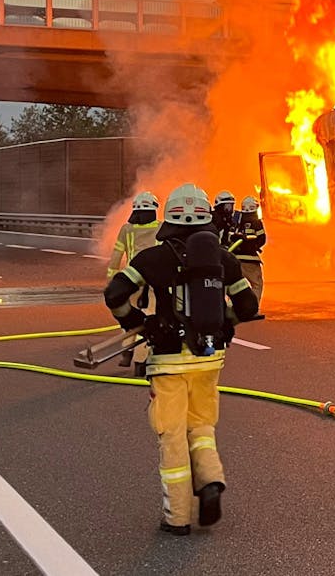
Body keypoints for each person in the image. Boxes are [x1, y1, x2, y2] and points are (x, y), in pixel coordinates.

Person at [103, 183, 259, 536]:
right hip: (209, 358)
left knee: (171, 435)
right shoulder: (223, 258)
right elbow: (248, 307)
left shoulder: (152, 259)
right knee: (201, 428)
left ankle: (177, 518)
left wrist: (139, 323)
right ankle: (211, 482)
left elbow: (115, 294)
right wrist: (223, 323)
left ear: (169, 218)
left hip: (169, 362)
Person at [230, 196, 267, 302]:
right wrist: (253, 246)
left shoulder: (236, 221)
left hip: (235, 260)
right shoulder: (256, 222)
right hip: (251, 261)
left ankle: (234, 308)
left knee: (236, 286)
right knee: (256, 284)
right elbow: (262, 239)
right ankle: (253, 308)